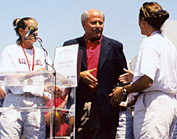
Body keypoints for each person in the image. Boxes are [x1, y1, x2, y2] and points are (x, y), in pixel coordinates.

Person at [110, 2, 177, 139]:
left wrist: (123, 90)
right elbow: (163, 77)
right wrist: (135, 77)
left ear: (142, 20)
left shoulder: (149, 42)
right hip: (168, 105)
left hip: (153, 107)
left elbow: (147, 81)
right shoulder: (168, 44)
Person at [63, 9, 127, 139]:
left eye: (100, 23)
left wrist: (120, 93)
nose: (98, 26)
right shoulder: (70, 46)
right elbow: (60, 75)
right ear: (83, 24)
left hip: (106, 109)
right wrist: (79, 75)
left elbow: (124, 76)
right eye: (94, 23)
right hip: (80, 106)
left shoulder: (115, 46)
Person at [0, 17, 52, 139]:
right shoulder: (10, 50)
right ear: (21, 31)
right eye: (32, 29)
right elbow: (9, 78)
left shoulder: (42, 53)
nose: (36, 33)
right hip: (15, 100)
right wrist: (33, 73)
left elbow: (48, 79)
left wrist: (51, 90)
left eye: (37, 30)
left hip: (36, 102)